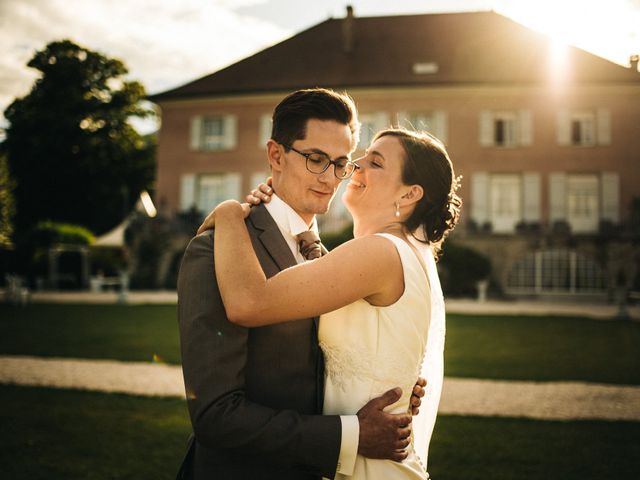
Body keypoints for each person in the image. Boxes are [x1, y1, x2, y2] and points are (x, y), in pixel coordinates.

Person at [177, 88, 426, 480]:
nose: (331, 178)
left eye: (342, 163)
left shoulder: (331, 260)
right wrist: (350, 436)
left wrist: (392, 383)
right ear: (276, 155)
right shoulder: (215, 251)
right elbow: (215, 415)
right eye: (316, 160)